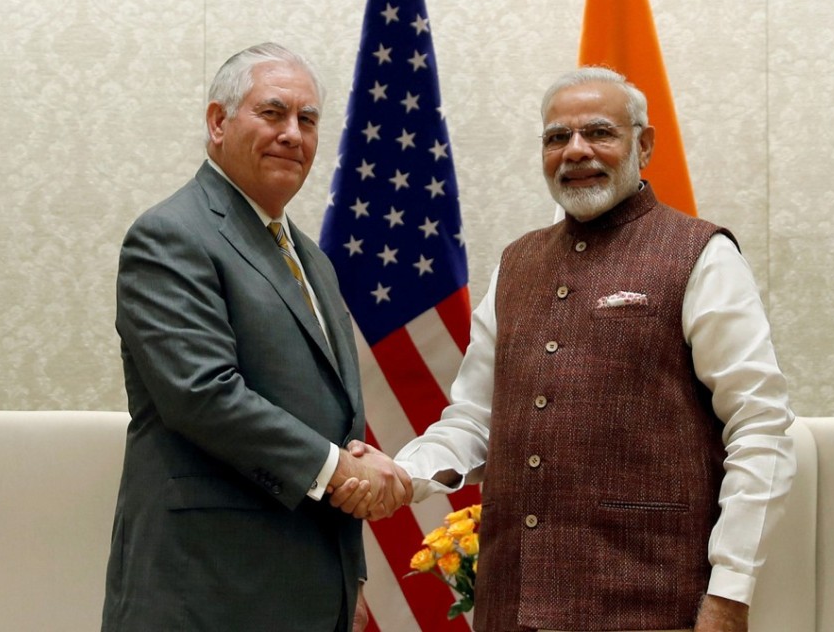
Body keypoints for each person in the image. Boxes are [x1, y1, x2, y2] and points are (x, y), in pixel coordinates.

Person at [338, 67, 795, 632]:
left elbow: (760, 425)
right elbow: (476, 422)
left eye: (599, 132)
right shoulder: (517, 263)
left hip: (652, 608)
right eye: (557, 137)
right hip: (510, 606)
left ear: (643, 145)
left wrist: (730, 594)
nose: (575, 151)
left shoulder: (702, 255)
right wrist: (405, 474)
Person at [101, 42, 411, 632]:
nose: (293, 134)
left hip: (310, 586)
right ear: (218, 123)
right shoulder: (172, 235)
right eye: (272, 113)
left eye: (309, 120)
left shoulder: (312, 259)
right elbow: (202, 393)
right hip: (207, 588)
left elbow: (331, 419)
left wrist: (350, 571)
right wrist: (343, 473)